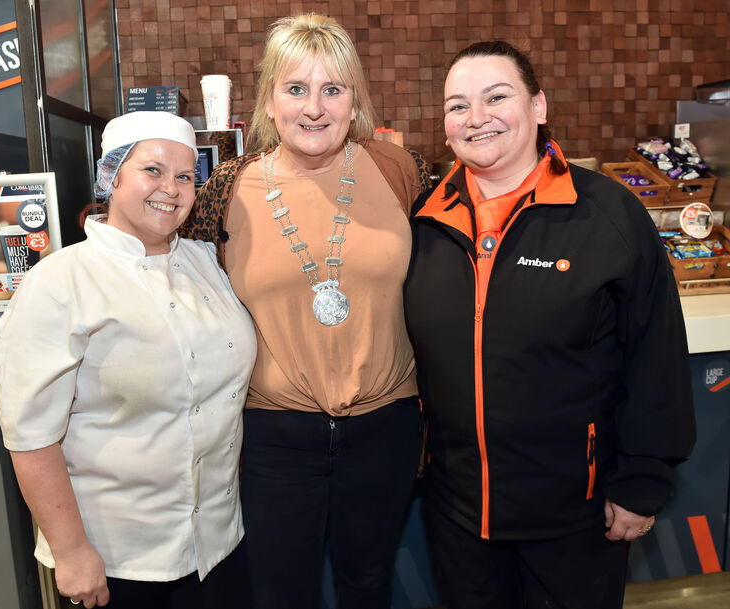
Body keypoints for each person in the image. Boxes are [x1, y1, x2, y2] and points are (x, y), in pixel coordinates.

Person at [403, 41, 696, 609]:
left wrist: (641, 482)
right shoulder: (423, 220)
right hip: (458, 514)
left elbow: (655, 357)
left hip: (576, 515)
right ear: (445, 127)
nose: (477, 117)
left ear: (538, 106)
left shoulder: (607, 215)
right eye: (457, 105)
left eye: (497, 97)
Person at [180, 13, 431, 609]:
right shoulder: (227, 188)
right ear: (269, 100)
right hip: (273, 435)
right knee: (279, 592)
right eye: (296, 89)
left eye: (332, 89)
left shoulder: (401, 172)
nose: (313, 107)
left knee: (368, 585)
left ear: (354, 102)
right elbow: (177, 280)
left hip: (386, 425)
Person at [0, 111, 256, 609]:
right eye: (152, 171)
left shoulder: (206, 263)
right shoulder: (60, 282)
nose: (171, 189)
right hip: (119, 560)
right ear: (110, 177)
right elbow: (30, 437)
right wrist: (71, 552)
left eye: (185, 177)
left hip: (219, 545)